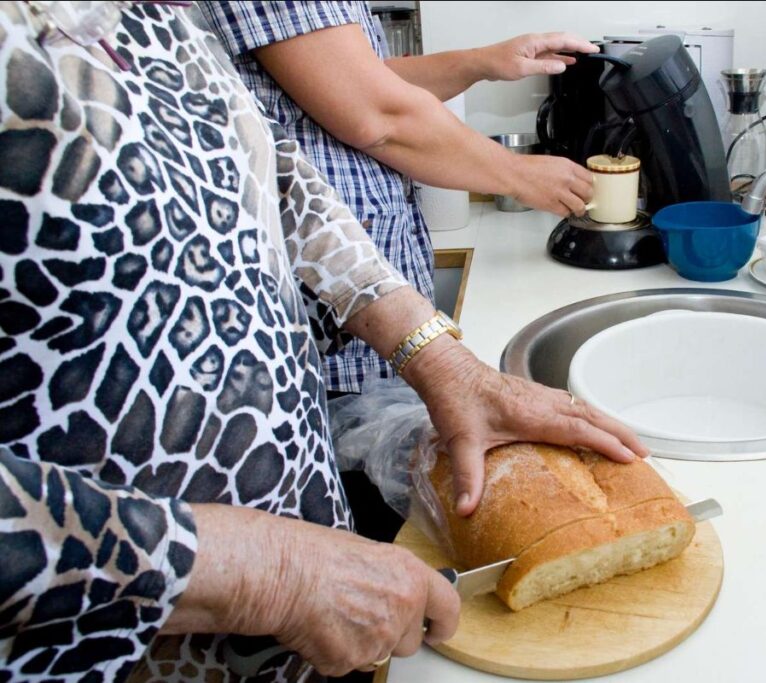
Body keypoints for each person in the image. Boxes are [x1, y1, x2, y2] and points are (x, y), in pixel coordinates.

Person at [0, 2, 646, 681]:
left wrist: (439, 358)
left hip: (290, 618)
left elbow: (282, 183)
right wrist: (264, 576)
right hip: (112, 653)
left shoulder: (150, 16)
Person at [196, 0, 600, 542]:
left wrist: (480, 62)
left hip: (374, 320)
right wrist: (516, 174)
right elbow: (376, 112)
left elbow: (353, 80)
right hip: (331, 322)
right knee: (363, 536)